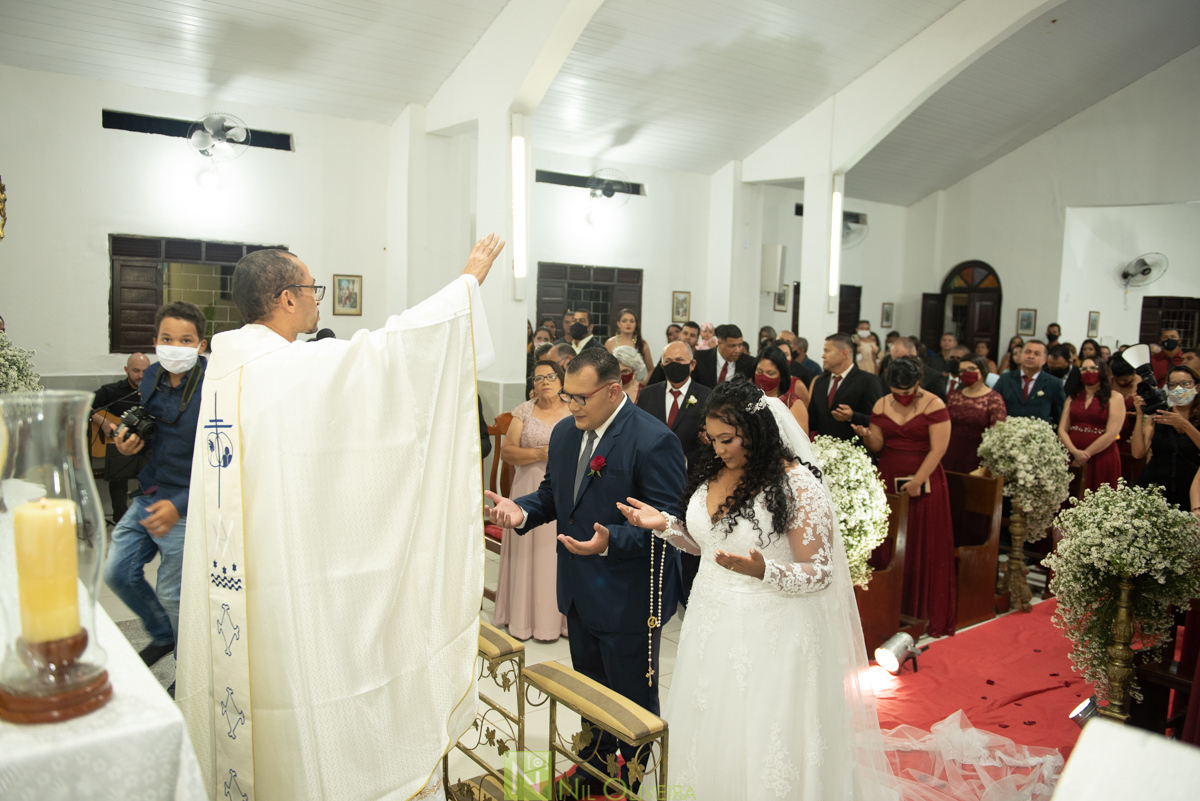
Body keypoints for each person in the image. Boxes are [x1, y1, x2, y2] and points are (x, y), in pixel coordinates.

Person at [176, 235, 505, 801]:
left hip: (251, 576)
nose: (317, 300)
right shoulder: (285, 368)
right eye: (311, 289)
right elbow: (389, 354)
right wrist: (466, 282)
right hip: (286, 576)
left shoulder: (230, 366)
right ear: (284, 298)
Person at [615, 380, 897, 800]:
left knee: (764, 731)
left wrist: (766, 571)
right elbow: (709, 544)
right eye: (712, 439)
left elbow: (821, 572)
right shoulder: (715, 470)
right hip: (711, 622)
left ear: (757, 430)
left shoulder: (798, 485)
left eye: (727, 439)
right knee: (712, 723)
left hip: (772, 631)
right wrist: (666, 526)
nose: (718, 449)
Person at [484, 348, 687, 795]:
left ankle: (628, 780)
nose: (571, 405)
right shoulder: (565, 434)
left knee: (630, 697)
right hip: (577, 590)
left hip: (629, 596)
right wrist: (520, 512)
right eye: (568, 396)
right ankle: (592, 763)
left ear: (613, 391)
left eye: (580, 398)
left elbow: (671, 528)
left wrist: (612, 540)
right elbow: (555, 495)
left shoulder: (653, 441)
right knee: (590, 689)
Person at [105, 303, 207, 674]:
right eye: (167, 339)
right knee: (116, 573)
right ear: (155, 342)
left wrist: (180, 504)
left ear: (200, 345)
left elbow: (222, 459)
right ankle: (163, 635)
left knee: (172, 594)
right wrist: (129, 442)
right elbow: (151, 431)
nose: (175, 346)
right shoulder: (150, 378)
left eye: (185, 340)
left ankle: (189, 673)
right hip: (150, 492)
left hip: (188, 500)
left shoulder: (214, 386)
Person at [852, 357, 956, 638]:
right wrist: (866, 436)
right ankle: (888, 606)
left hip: (925, 479)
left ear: (918, 382)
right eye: (897, 392)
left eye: (907, 392)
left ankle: (921, 609)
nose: (902, 397)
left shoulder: (935, 405)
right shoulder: (881, 404)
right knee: (889, 542)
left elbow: (938, 450)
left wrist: (917, 481)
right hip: (889, 476)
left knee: (921, 542)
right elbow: (878, 444)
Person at [494, 360, 572, 641]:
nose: (544, 382)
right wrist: (539, 454)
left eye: (550, 376)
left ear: (562, 381)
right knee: (528, 549)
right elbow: (507, 452)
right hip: (528, 485)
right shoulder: (524, 412)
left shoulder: (574, 409)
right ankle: (522, 620)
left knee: (555, 552)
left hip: (564, 487)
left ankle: (558, 622)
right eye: (538, 378)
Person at [636, 341, 713, 606]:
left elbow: (712, 441)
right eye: (667, 361)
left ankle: (688, 594)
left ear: (692, 364)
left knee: (688, 536)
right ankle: (654, 590)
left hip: (691, 479)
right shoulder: (648, 395)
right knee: (654, 533)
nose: (673, 366)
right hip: (652, 478)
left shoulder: (707, 395)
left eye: (679, 361)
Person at [91, 352, 151, 523]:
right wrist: (101, 421)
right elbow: (82, 406)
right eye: (136, 371)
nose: (140, 376)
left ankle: (148, 519)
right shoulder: (112, 391)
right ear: (126, 370)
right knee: (118, 469)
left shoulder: (156, 392)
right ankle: (121, 520)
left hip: (148, 446)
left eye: (146, 372)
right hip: (120, 449)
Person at [1131, 365, 1200, 510]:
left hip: (1190, 486)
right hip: (1154, 485)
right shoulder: (1159, 415)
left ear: (1197, 387)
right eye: (1173, 385)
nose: (1179, 388)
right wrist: (1140, 415)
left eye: (1185, 383)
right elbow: (1138, 452)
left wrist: (1184, 424)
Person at [1058, 357, 1123, 493]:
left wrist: (1086, 454)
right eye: (1084, 369)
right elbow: (1062, 429)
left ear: (1102, 372)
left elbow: (1112, 433)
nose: (1088, 372)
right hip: (1072, 454)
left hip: (1102, 455)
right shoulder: (1073, 397)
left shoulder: (1115, 397)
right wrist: (1075, 452)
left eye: (1093, 368)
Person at [808, 333, 883, 441]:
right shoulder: (820, 381)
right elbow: (812, 419)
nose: (823, 356)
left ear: (844, 354)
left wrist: (852, 416)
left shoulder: (868, 381)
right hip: (823, 449)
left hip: (853, 450)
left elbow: (877, 420)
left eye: (827, 351)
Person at [943, 354, 1007, 473]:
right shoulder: (954, 396)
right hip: (951, 453)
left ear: (983, 369)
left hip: (977, 456)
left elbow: (998, 432)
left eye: (971, 369)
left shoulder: (993, 398)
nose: (966, 373)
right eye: (962, 370)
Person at [993, 340, 1066, 424]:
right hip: (1008, 431)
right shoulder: (1005, 378)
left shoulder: (1054, 383)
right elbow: (993, 405)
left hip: (1039, 434)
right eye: (1027, 352)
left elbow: (1060, 415)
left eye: (1037, 354)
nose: (1031, 356)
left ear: (1044, 360)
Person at [755, 345, 809, 432]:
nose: (763, 377)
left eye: (770, 373)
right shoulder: (747, 399)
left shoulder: (793, 403)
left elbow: (801, 440)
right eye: (759, 372)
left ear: (782, 376)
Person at [693, 324, 755, 388]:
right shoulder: (700, 358)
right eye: (732, 346)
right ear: (719, 343)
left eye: (740, 345)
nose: (737, 350)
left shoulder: (750, 363)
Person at [605, 308, 654, 375]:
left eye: (631, 321)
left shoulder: (642, 344)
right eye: (624, 321)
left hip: (637, 382)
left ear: (636, 324)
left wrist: (642, 383)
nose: (628, 324)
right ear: (618, 323)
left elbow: (651, 370)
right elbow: (606, 369)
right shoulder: (610, 343)